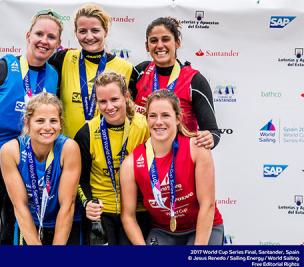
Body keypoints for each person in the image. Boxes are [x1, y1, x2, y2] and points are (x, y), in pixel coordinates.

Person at [0, 11, 63, 245]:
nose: (43, 41)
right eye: (39, 34)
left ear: (58, 44)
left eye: (51, 37)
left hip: (27, 167)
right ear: (28, 35)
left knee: (15, 238)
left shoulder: (55, 75)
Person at [0, 4, 134, 139]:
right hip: (67, 147)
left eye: (95, 30)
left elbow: (133, 112)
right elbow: (32, 62)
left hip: (106, 150)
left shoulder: (126, 68)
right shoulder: (63, 58)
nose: (89, 36)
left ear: (105, 31)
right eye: (83, 31)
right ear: (76, 33)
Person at [120, 90, 224, 245]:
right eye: (153, 116)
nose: (158, 122)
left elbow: (207, 205)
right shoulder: (131, 163)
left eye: (165, 115)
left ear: (178, 118)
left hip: (202, 227)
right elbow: (128, 216)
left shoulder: (197, 148)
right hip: (163, 231)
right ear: (146, 119)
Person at [74, 72, 150, 245]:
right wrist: (87, 204)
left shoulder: (145, 126)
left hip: (138, 211)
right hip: (102, 212)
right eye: (102, 101)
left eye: (114, 99)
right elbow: (80, 179)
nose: (109, 107)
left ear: (126, 96)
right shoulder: (86, 133)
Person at [0, 93, 81, 245]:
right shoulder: (11, 151)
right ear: (27, 123)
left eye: (53, 121)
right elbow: (20, 206)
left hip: (64, 223)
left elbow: (67, 206)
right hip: (30, 223)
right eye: (40, 121)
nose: (48, 127)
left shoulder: (68, 148)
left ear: (60, 123)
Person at [129, 17, 220, 149]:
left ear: (177, 42)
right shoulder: (140, 71)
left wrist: (210, 138)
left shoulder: (194, 80)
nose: (159, 45)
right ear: (147, 46)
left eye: (165, 39)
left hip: (180, 160)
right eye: (153, 40)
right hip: (144, 160)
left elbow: (213, 132)